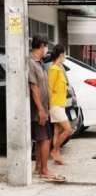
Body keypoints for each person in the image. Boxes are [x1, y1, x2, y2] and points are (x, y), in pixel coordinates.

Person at [28, 33, 58, 180]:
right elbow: (33, 87)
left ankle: (38, 169)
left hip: (43, 108)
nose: (46, 49)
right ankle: (45, 170)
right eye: (46, 46)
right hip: (37, 110)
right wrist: (40, 110)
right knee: (46, 139)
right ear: (42, 46)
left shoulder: (39, 62)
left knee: (41, 139)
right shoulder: (31, 62)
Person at [48, 44, 72, 166]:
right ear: (62, 54)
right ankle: (54, 151)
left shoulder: (58, 69)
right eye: (65, 53)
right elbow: (49, 89)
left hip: (60, 104)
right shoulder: (54, 70)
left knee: (58, 132)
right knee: (68, 130)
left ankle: (57, 157)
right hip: (55, 105)